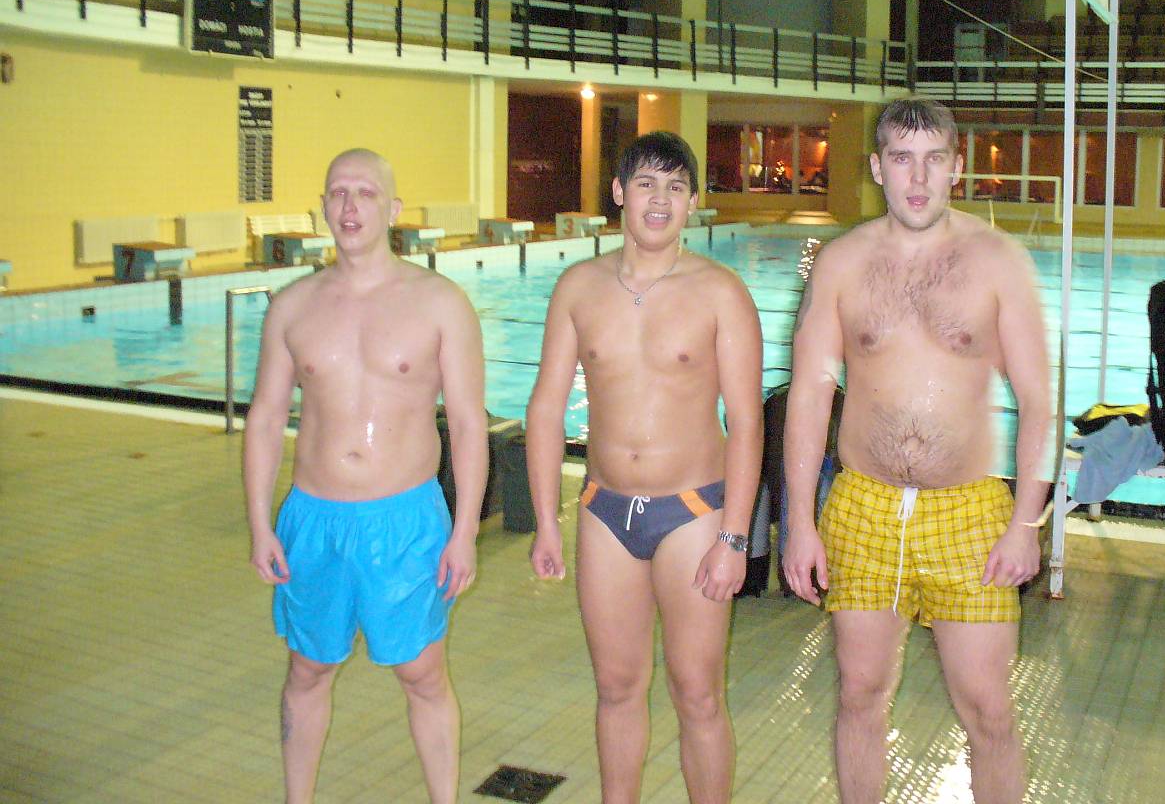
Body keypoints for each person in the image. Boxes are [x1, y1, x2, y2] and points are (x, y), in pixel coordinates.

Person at [782, 99, 1051, 804]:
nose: (918, 177)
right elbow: (809, 394)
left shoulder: (998, 262)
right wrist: (800, 522)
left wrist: (1026, 522)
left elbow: (1039, 400)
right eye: (902, 158)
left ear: (957, 167)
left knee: (989, 712)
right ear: (878, 168)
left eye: (934, 159)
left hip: (969, 513)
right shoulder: (842, 263)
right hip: (862, 508)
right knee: (859, 697)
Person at [526, 131, 763, 804]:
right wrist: (546, 521)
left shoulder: (720, 292)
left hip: (694, 512)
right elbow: (544, 408)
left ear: (692, 202)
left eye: (676, 187)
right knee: (616, 688)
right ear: (619, 193)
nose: (661, 200)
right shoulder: (578, 287)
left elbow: (747, 423)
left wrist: (734, 538)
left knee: (698, 694)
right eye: (647, 184)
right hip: (604, 511)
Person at [243, 148, 487, 804]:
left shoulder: (440, 303)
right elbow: (265, 420)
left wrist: (464, 532)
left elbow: (468, 424)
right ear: (322, 207)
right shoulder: (292, 306)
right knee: (307, 670)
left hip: (405, 518)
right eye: (337, 193)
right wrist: (260, 525)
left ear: (394, 209)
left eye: (366, 193)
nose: (350, 206)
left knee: (423, 674)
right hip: (313, 516)